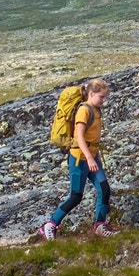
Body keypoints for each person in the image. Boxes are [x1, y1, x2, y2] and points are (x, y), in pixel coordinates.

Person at [43, 78, 114, 240]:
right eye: (101, 97)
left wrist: (93, 156)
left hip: (92, 156)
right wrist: (89, 157)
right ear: (91, 93)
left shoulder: (95, 110)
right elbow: (79, 136)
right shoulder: (84, 110)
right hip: (79, 159)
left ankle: (100, 225)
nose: (104, 100)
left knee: (104, 190)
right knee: (76, 196)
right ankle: (50, 225)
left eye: (105, 97)